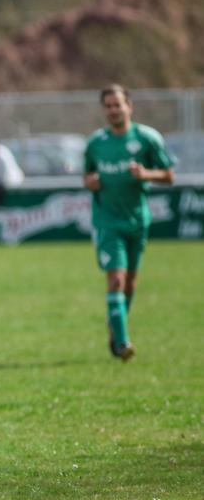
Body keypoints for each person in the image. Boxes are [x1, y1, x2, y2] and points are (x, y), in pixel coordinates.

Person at [83, 84, 174, 361]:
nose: (113, 110)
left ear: (129, 107)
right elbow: (87, 176)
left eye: (117, 105)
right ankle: (122, 343)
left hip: (137, 220)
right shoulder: (96, 144)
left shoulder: (147, 139)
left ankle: (116, 324)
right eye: (108, 106)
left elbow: (169, 175)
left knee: (131, 283)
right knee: (116, 279)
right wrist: (90, 182)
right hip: (108, 221)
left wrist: (146, 173)